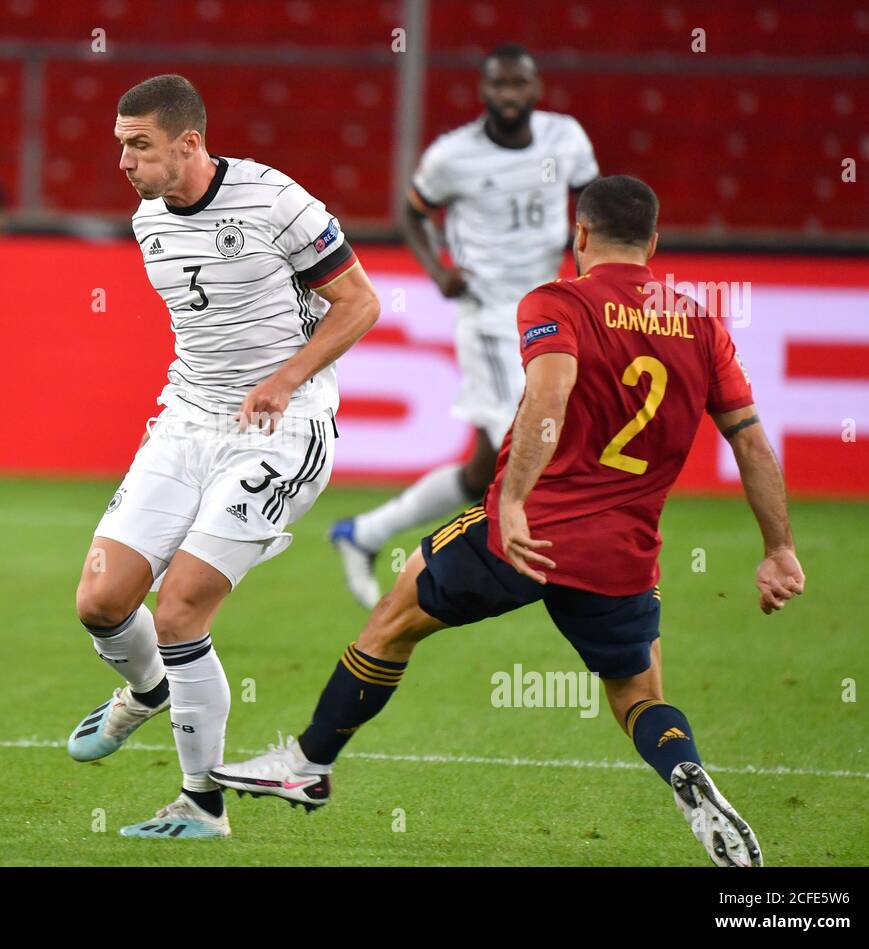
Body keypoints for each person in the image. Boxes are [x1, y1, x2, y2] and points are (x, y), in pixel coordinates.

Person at [212, 175, 805, 867]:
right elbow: (751, 440)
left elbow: (549, 399)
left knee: (395, 619)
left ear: (578, 234)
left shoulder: (559, 302)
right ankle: (683, 771)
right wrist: (780, 549)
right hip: (624, 555)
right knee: (638, 696)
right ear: (654, 241)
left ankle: (310, 763)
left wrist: (517, 500)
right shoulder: (700, 322)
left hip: (527, 533)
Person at [70, 74, 380, 839]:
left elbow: (360, 304)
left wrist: (284, 380)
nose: (125, 162)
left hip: (282, 428)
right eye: (120, 146)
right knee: (102, 602)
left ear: (190, 144)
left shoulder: (277, 201)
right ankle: (147, 691)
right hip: (186, 422)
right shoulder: (148, 219)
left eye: (139, 146)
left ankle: (202, 803)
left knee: (178, 608)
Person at [331, 43, 598, 608]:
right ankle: (530, 569)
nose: (507, 96)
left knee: (483, 469)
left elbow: (591, 204)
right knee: (520, 441)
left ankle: (364, 534)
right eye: (497, 86)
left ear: (535, 89)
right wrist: (438, 271)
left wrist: (587, 275)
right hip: (491, 317)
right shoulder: (454, 155)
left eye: (517, 85)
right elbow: (411, 210)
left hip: (548, 309)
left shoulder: (566, 139)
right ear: (483, 92)